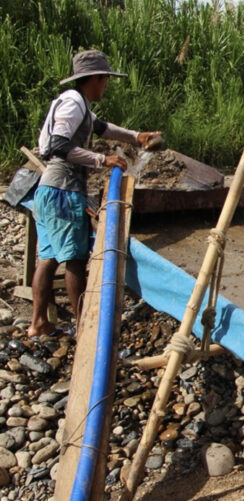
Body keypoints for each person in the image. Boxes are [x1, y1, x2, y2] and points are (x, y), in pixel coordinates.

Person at [28, 49, 162, 338]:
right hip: (63, 191)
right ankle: (84, 327)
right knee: (75, 260)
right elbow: (58, 146)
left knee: (48, 259)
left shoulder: (78, 104)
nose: (106, 86)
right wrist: (103, 160)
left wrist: (135, 136)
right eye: (105, 80)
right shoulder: (73, 104)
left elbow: (101, 128)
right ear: (97, 79)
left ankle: (39, 323)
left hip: (49, 189)